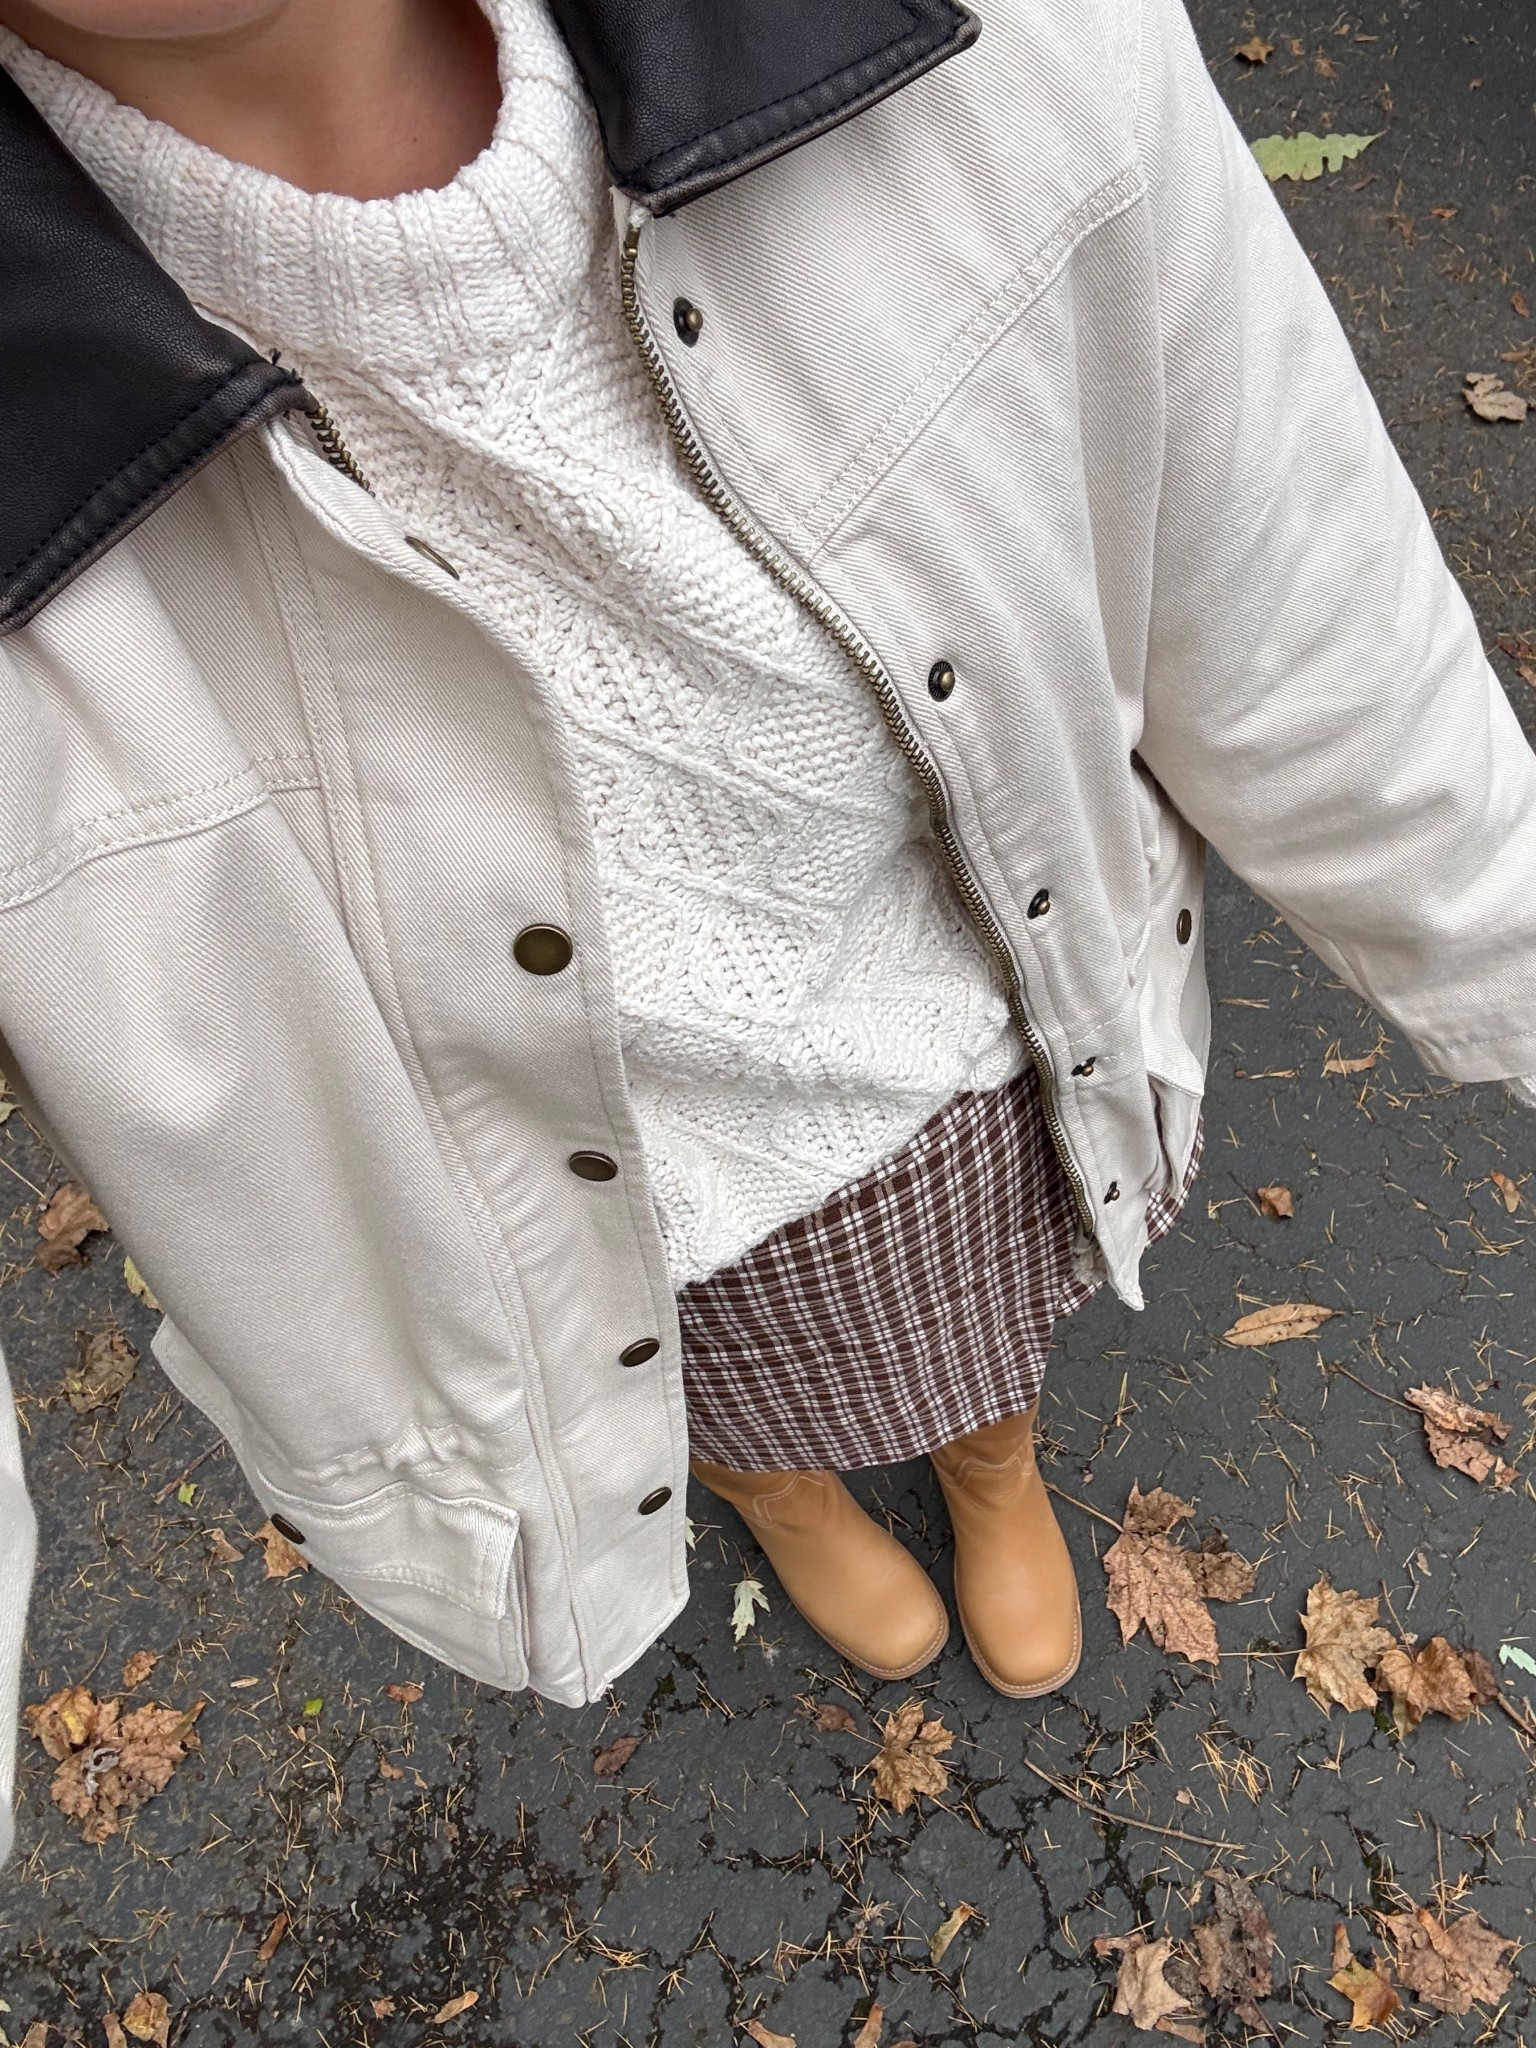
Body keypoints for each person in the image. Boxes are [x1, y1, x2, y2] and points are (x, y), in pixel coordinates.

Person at [2, 0, 1534, 1872]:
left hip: (967, 1036)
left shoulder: (1008, 37)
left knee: (994, 1321)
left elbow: (1297, 592)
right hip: (612, 1201)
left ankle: (992, 1466)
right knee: (713, 1381)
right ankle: (793, 1503)